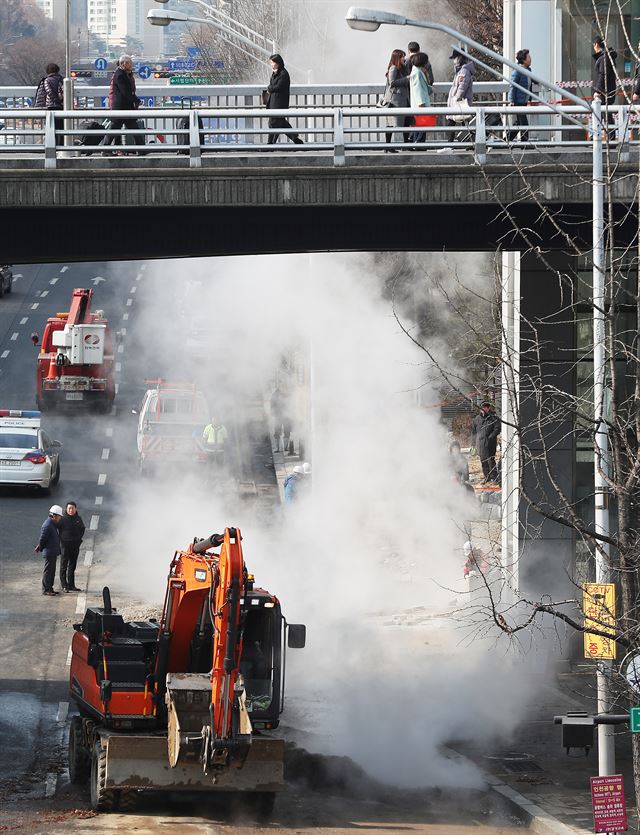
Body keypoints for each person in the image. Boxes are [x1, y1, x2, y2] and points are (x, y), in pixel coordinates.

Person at [103, 55, 143, 153]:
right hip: (121, 107)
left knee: (131, 129)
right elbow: (126, 92)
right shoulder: (120, 75)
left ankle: (141, 149)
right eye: (129, 63)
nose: (131, 65)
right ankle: (105, 150)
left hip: (124, 107)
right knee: (116, 130)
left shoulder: (124, 74)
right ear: (123, 64)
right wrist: (136, 100)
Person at [265, 54, 303, 145]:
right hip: (274, 101)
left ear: (278, 63)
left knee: (273, 122)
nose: (271, 64)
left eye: (272, 62)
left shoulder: (283, 74)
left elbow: (279, 87)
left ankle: (270, 143)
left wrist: (269, 88)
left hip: (279, 102)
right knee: (280, 122)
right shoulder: (276, 73)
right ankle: (295, 139)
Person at [444, 49, 475, 144]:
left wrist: (456, 98)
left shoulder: (463, 71)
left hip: (459, 102)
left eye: (455, 58)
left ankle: (451, 144)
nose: (454, 60)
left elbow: (462, 87)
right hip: (459, 102)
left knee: (458, 122)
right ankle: (469, 143)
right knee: (463, 122)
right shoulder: (461, 70)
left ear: (460, 57)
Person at [383, 49, 411, 151]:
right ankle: (388, 146)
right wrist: (406, 79)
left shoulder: (401, 68)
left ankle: (405, 145)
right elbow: (392, 83)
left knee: (406, 122)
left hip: (403, 99)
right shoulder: (393, 68)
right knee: (391, 123)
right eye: (402, 57)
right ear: (397, 58)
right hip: (395, 101)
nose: (404, 59)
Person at [592, 36, 618, 138]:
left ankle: (604, 137)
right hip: (608, 90)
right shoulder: (606, 57)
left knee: (603, 113)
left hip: (604, 91)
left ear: (596, 45)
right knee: (604, 113)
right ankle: (601, 136)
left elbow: (603, 75)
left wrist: (597, 90)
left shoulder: (604, 58)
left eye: (594, 45)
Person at [35, 505, 63, 596]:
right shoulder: (48, 525)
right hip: (49, 552)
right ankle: (46, 590)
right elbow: (42, 539)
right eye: (59, 516)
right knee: (48, 571)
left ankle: (50, 588)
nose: (60, 518)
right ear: (54, 516)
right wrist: (40, 547)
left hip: (53, 551)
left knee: (51, 571)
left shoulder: (52, 524)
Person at [34, 63, 64, 146]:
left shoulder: (47, 80)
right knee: (61, 126)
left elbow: (48, 91)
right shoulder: (62, 79)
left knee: (50, 126)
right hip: (61, 106)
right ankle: (61, 145)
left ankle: (52, 145)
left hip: (51, 106)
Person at [471, 401, 501, 484]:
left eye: (487, 407)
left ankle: (495, 478)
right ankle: (486, 477)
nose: (485, 408)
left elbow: (497, 428)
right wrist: (473, 444)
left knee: (491, 460)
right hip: (480, 444)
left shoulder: (493, 418)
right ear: (480, 408)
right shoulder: (477, 419)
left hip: (490, 444)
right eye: (484, 407)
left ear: (489, 408)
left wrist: (491, 437)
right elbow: (473, 432)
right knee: (483, 461)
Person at [59, 501, 85, 593]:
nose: (71, 510)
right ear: (66, 509)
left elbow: (82, 529)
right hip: (65, 546)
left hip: (75, 546)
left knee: (72, 566)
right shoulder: (62, 519)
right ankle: (64, 585)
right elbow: (57, 531)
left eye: (73, 508)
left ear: (76, 509)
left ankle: (71, 585)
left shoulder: (78, 518)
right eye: (69, 508)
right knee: (63, 566)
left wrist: (78, 539)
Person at [508, 49, 532, 142]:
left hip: (524, 101)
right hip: (518, 101)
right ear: (524, 59)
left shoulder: (528, 70)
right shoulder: (517, 71)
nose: (530, 59)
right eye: (529, 57)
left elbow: (530, 80)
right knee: (523, 122)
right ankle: (525, 144)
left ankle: (506, 140)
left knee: (519, 123)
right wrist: (511, 101)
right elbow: (512, 86)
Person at [409, 52, 432, 144]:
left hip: (417, 104)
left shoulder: (415, 71)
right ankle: (419, 144)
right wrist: (421, 104)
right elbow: (418, 89)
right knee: (422, 125)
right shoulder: (418, 73)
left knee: (418, 125)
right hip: (420, 104)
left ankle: (416, 142)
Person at [271, 384, 292, 452]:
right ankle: (283, 448)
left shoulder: (274, 395)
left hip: (281, 416)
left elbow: (272, 406)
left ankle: (279, 448)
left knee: (282, 431)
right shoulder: (285, 394)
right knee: (284, 432)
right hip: (282, 416)